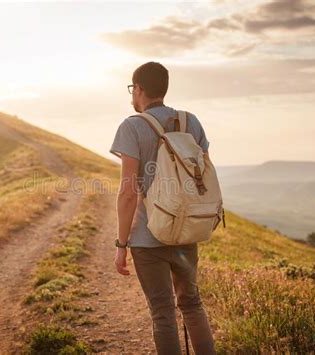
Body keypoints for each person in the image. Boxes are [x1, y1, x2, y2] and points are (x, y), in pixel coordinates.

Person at [109, 61, 216, 355]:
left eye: (133, 89)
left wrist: (121, 245)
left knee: (162, 312)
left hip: (148, 238)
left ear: (139, 89)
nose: (132, 95)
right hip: (186, 231)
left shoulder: (132, 126)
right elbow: (202, 175)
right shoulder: (190, 121)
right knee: (192, 305)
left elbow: (128, 193)